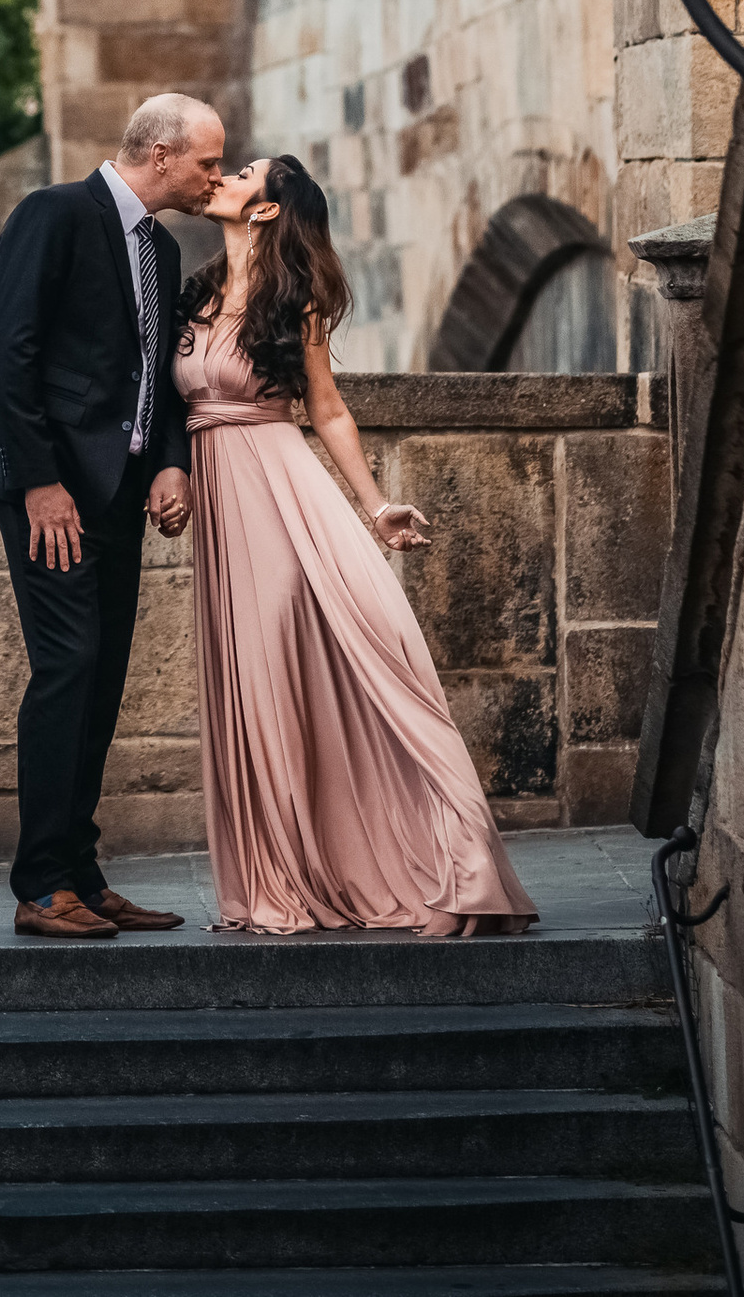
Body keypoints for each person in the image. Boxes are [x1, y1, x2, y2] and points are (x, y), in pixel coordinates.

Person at [175, 151, 537, 938]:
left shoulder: (293, 300)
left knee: (354, 657)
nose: (225, 176)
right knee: (251, 682)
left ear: (267, 209)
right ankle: (284, 872)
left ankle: (459, 861)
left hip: (284, 493)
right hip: (219, 505)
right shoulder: (192, 293)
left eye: (242, 173)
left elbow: (328, 409)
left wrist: (376, 508)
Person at [0, 91, 225, 939]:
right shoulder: (54, 212)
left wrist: (169, 465)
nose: (214, 176)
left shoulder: (156, 246)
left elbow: (156, 378)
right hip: (50, 493)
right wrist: (41, 482)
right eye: (207, 162)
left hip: (117, 492)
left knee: (102, 677)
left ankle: (79, 870)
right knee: (69, 665)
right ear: (159, 153)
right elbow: (11, 352)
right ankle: (41, 885)